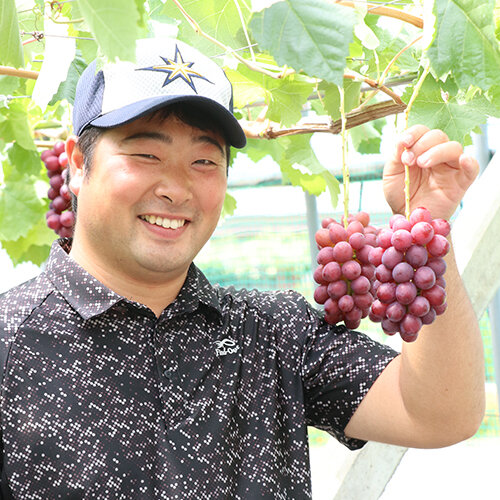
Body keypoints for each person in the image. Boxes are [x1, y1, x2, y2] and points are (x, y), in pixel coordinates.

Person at [0, 38, 484, 499]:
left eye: (205, 161)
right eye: (147, 154)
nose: (177, 188)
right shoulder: (8, 339)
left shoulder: (272, 333)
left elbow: (440, 414)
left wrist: (427, 228)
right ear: (76, 165)